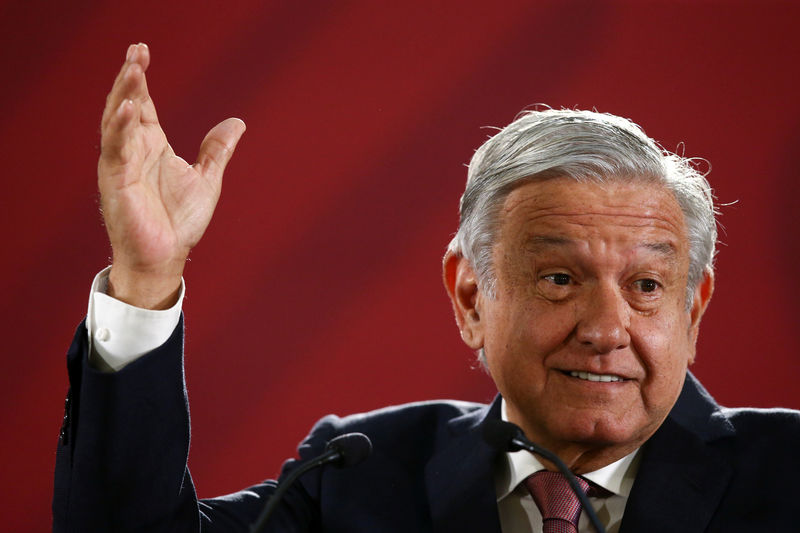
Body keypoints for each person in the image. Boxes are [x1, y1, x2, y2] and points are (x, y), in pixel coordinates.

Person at [53, 43, 799, 533]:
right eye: (561, 278)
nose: (606, 326)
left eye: (645, 285)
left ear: (692, 308)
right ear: (470, 296)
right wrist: (146, 278)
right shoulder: (358, 472)